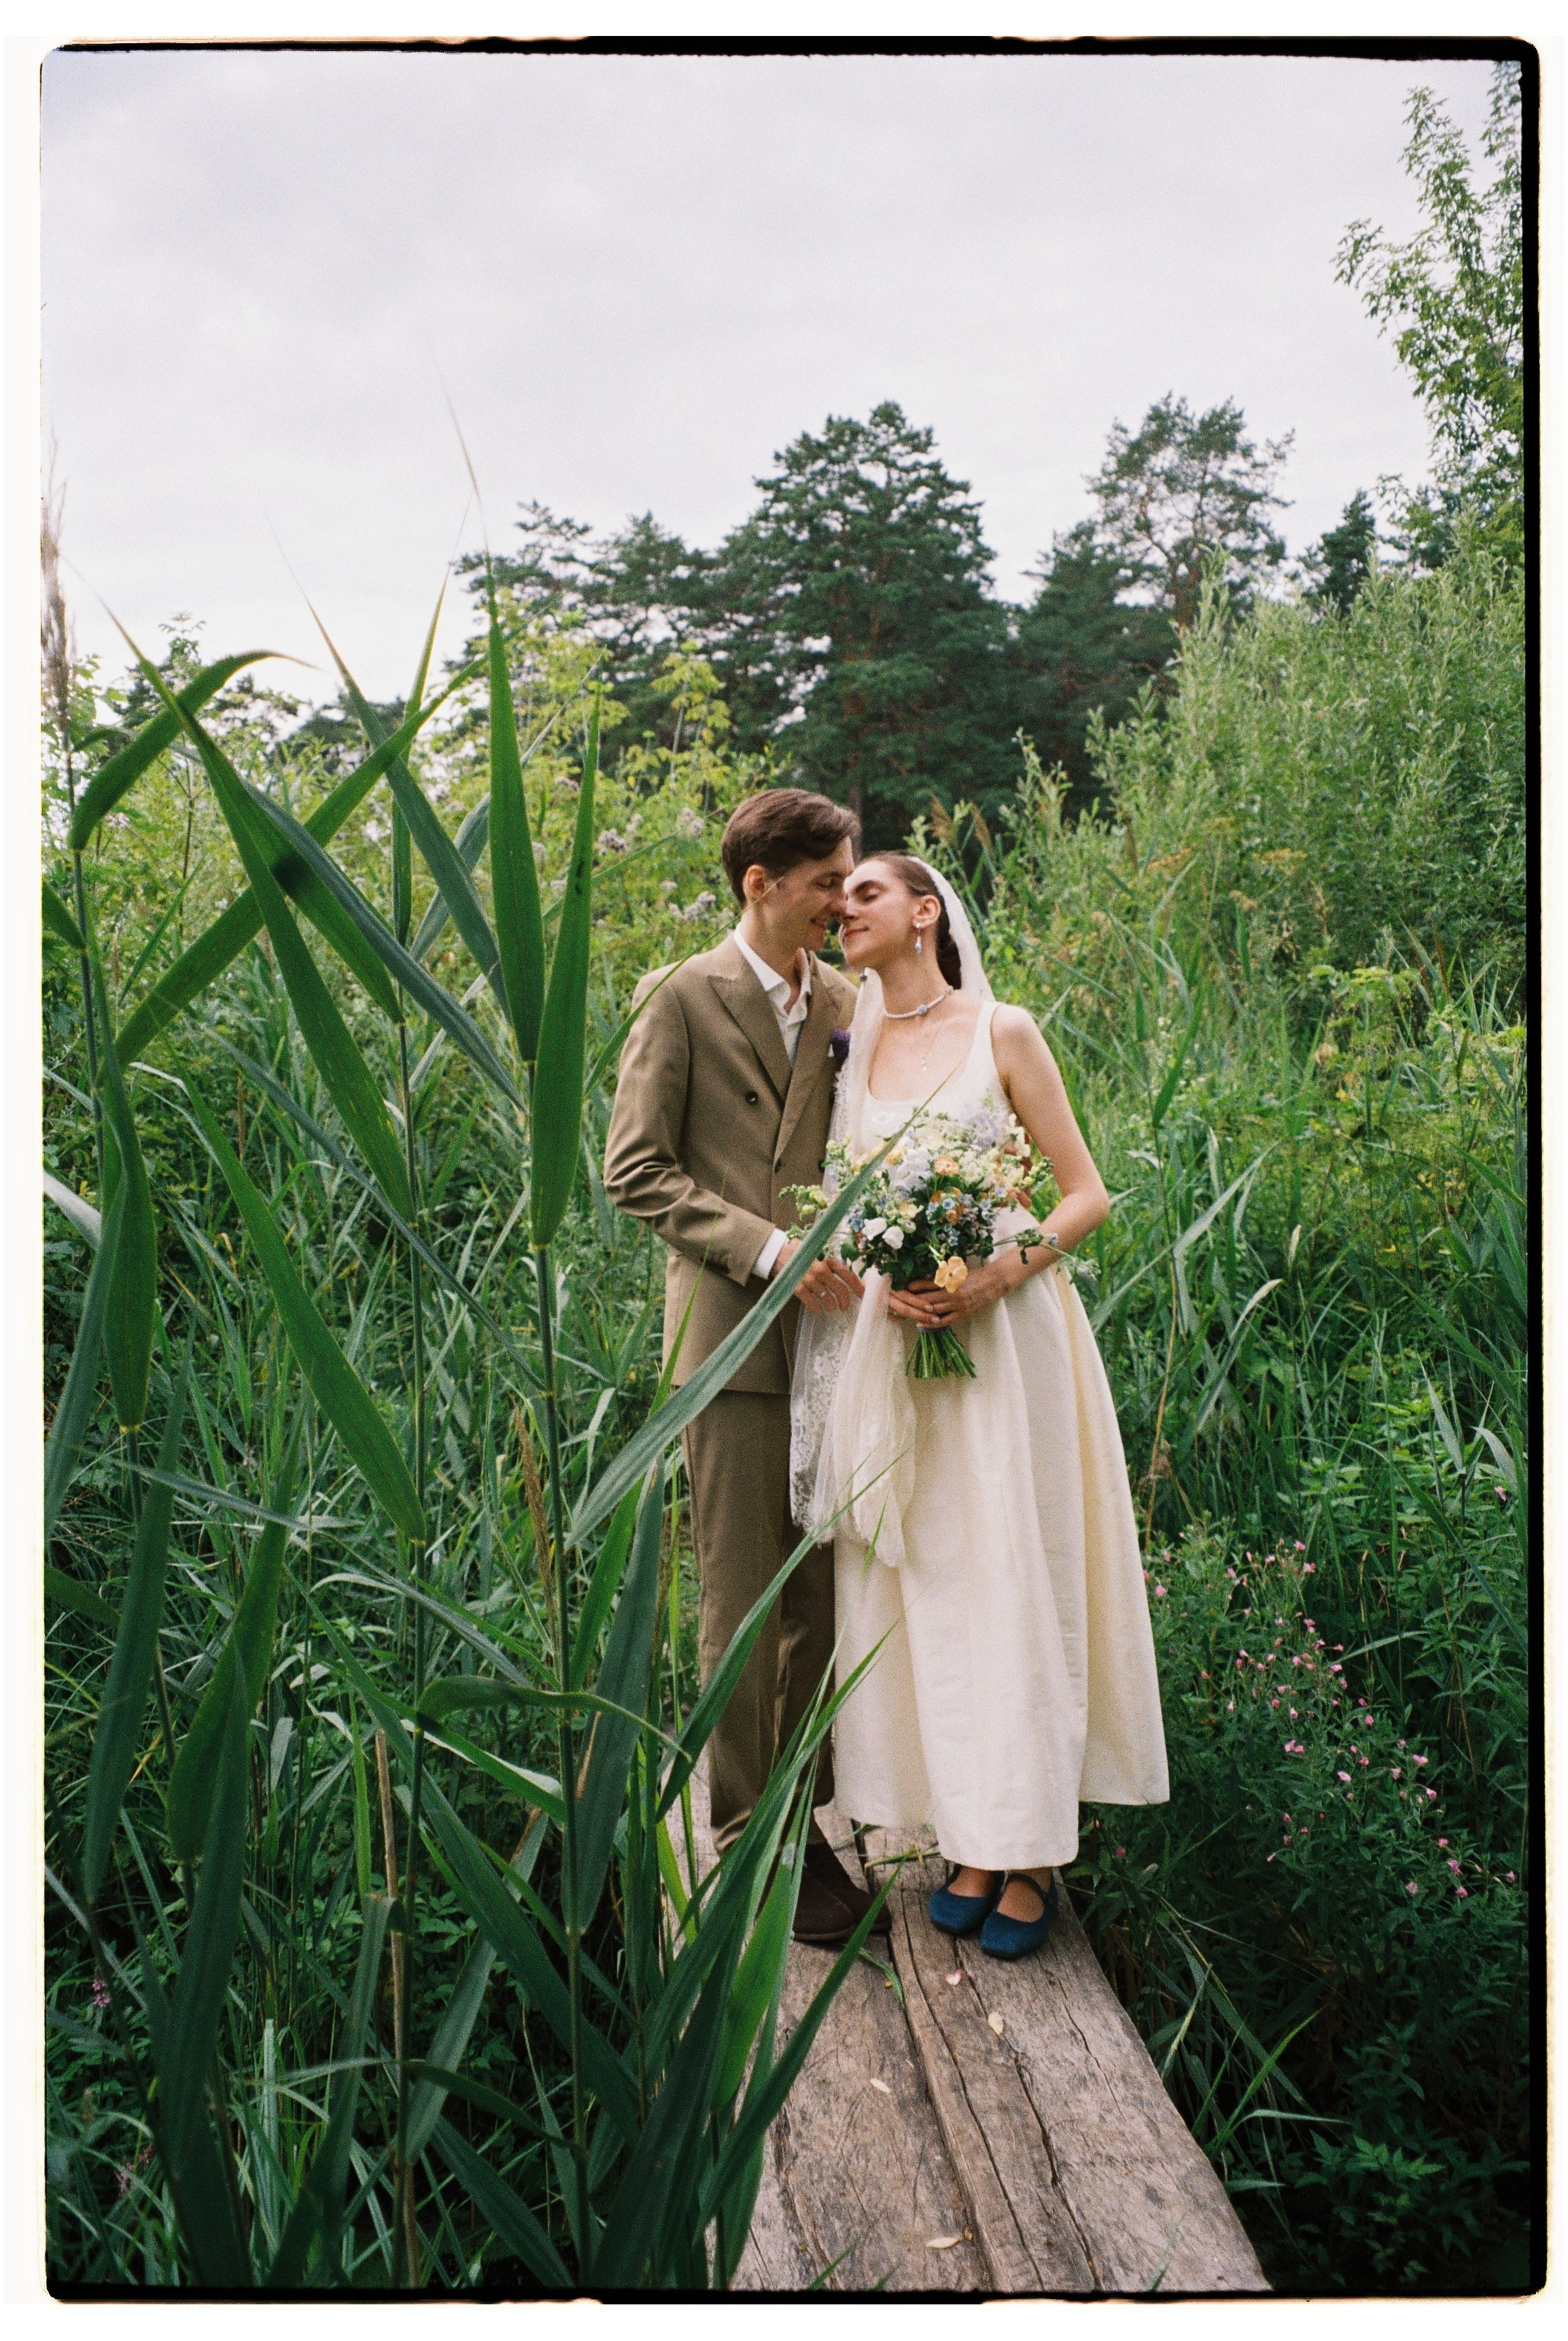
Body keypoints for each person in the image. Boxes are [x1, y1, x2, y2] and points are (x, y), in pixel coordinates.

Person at [790, 854, 1169, 1961]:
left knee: (1012, 1572)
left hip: (1003, 1344)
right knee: (924, 1583)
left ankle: (1032, 1848)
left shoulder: (1003, 1028)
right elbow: (845, 1194)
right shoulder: (847, 1045)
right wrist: (879, 1267)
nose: (843, 908)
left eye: (865, 892)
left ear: (925, 911)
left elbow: (1084, 1191)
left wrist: (1000, 1270)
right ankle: (967, 1833)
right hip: (896, 1349)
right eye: (836, 896)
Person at [604, 788, 886, 1947]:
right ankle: (746, 1835)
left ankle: (805, 1813)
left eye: (848, 876)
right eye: (825, 879)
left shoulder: (847, 1000)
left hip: (835, 1345)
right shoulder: (679, 997)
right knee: (738, 1594)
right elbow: (633, 1169)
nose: (841, 899)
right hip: (726, 1337)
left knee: (818, 1594)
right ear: (758, 882)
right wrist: (772, 1248)